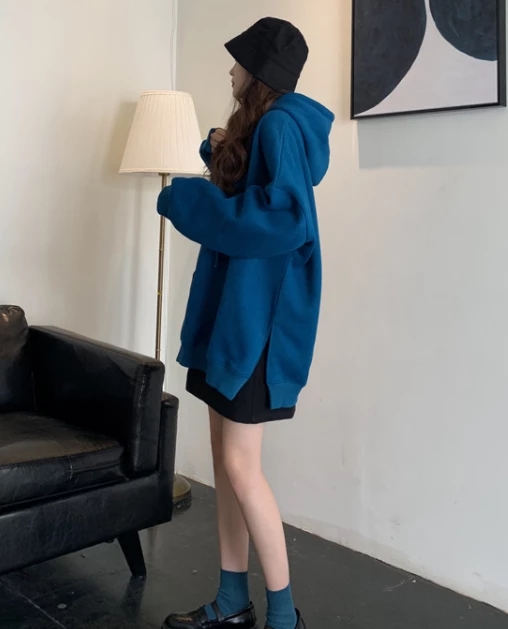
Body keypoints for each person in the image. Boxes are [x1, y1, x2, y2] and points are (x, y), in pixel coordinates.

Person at [157, 16, 334, 629]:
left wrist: (189, 199)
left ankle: (285, 617)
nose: (229, 69)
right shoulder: (265, 125)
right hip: (233, 316)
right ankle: (232, 600)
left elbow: (282, 219)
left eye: (238, 61)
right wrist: (219, 150)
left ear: (256, 71)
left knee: (240, 466)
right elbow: (255, 190)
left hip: (257, 323)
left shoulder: (280, 126)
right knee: (224, 460)